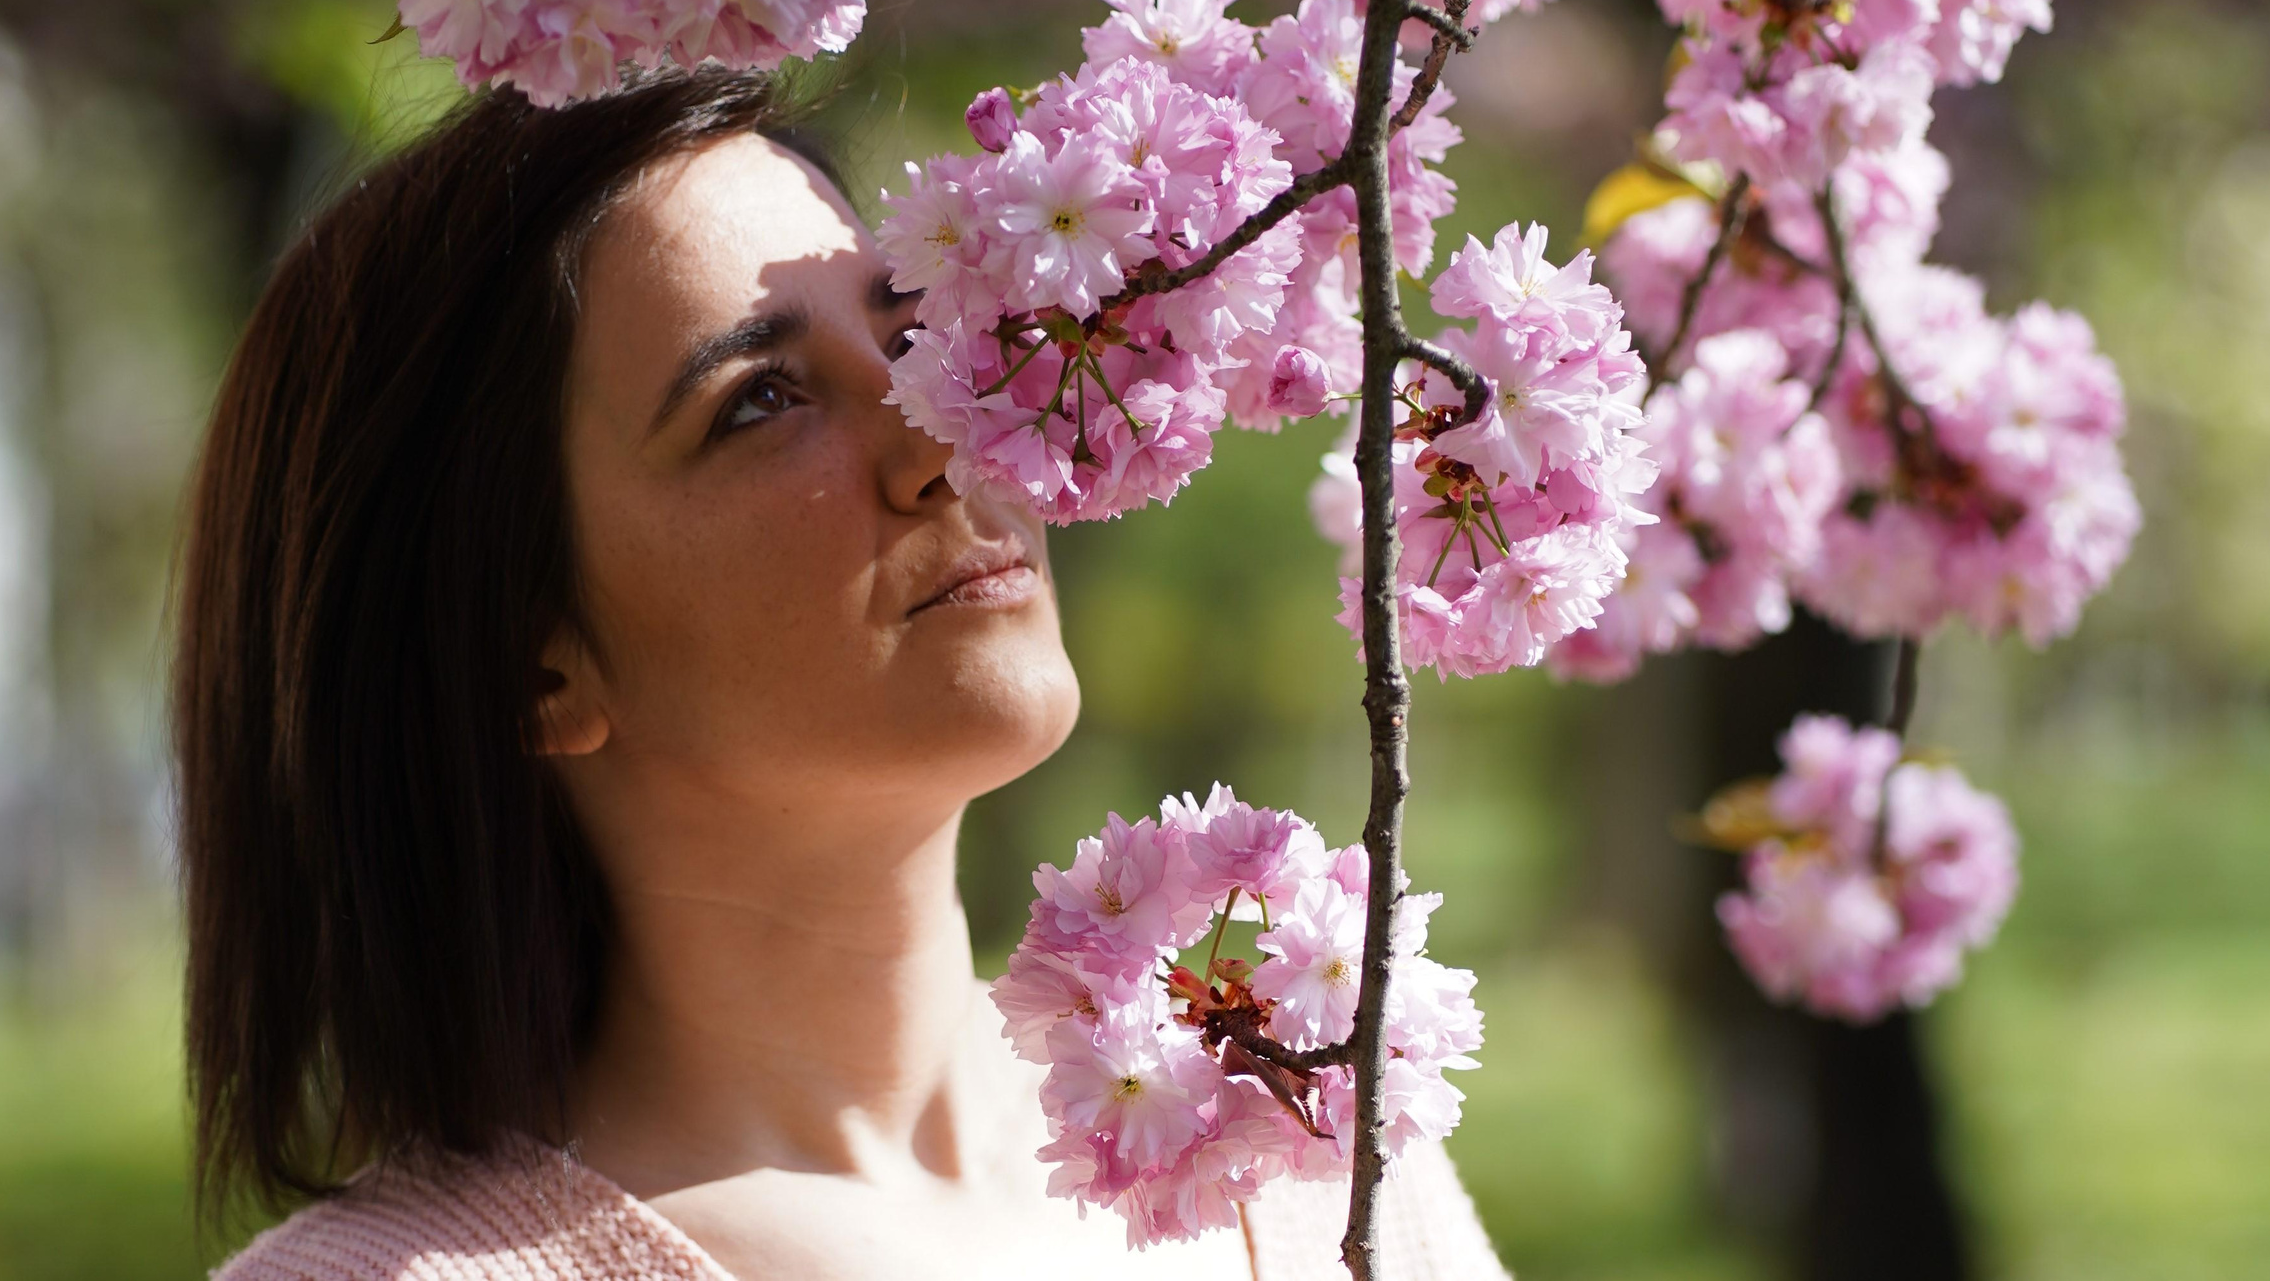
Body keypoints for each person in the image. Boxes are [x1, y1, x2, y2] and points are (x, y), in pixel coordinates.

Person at [178, 72, 1506, 1281]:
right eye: (759, 399)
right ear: (533, 663)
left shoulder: (1297, 1134)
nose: (940, 426)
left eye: (918, 333)